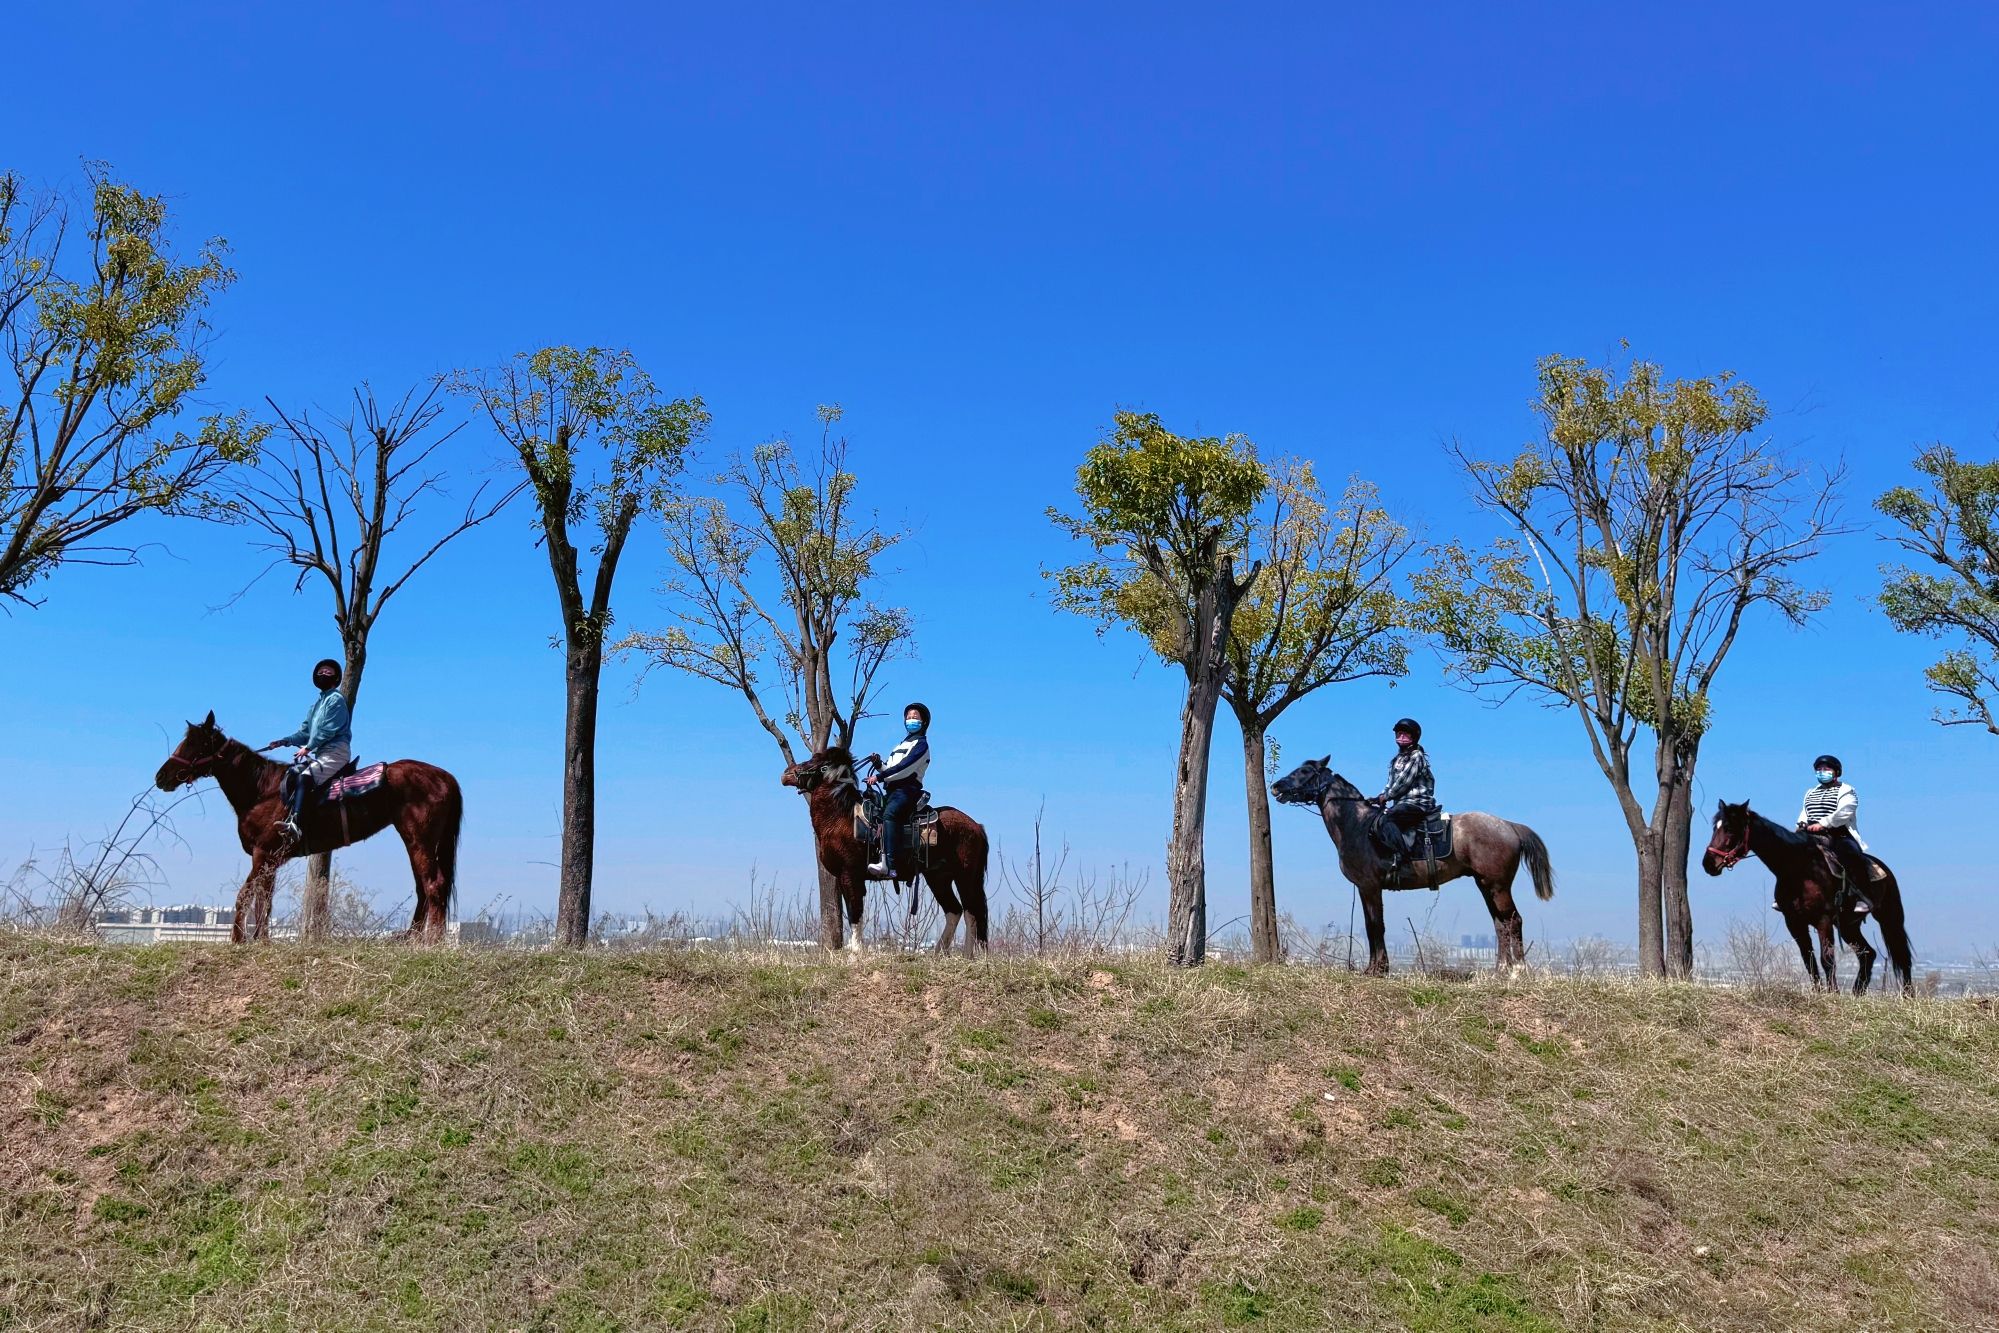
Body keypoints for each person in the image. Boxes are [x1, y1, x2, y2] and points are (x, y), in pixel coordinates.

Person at [263, 658, 352, 839]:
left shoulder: (336, 700)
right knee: (293, 774)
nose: (323, 674)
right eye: (321, 672)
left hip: (336, 752)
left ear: (336, 679)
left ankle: (296, 825)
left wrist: (308, 748)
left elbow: (328, 730)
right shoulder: (316, 705)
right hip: (321, 753)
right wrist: (283, 741)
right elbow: (304, 732)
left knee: (305, 777)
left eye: (328, 672)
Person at [1796, 753, 1873, 910]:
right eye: (1819, 769)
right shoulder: (1810, 792)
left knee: (1851, 854)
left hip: (1839, 834)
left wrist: (1824, 823)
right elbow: (1805, 812)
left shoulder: (1847, 790)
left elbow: (1846, 811)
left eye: (1826, 768)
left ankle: (1861, 895)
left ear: (1836, 772)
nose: (1822, 771)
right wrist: (1801, 823)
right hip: (1812, 834)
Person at [865, 702, 931, 878]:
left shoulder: (921, 745)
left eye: (915, 718)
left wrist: (878, 777)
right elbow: (890, 767)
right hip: (893, 790)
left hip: (907, 790)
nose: (911, 720)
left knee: (890, 814)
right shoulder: (900, 745)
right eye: (908, 718)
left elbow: (904, 768)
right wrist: (879, 764)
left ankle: (890, 865)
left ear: (923, 722)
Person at [1372, 718, 1438, 870]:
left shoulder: (1416, 756)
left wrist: (1385, 797)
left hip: (1417, 803)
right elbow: (1390, 784)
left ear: (1413, 738)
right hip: (1402, 803)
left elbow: (1403, 782)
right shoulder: (1396, 760)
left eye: (1405, 734)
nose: (1401, 737)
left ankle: (1402, 856)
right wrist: (1379, 797)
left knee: (1388, 819)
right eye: (1399, 734)